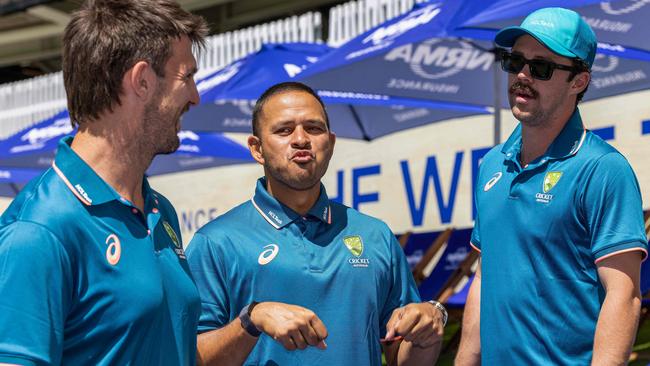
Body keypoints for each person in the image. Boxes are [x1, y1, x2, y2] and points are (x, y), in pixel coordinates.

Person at [0, 0, 207, 364]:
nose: (195, 96)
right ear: (142, 81)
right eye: (186, 76)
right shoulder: (38, 230)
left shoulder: (159, 210)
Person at [186, 82, 446, 366]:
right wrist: (251, 319)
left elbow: (402, 359)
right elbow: (192, 358)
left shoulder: (375, 235)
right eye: (284, 130)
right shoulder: (216, 242)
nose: (301, 139)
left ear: (331, 143)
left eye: (314, 128)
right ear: (257, 148)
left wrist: (426, 336)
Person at [455, 7, 648, 365]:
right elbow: (484, 279)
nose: (523, 76)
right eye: (515, 62)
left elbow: (623, 296)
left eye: (541, 67)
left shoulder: (603, 168)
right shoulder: (492, 164)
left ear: (579, 81)